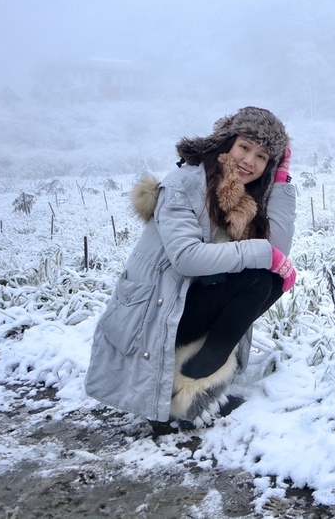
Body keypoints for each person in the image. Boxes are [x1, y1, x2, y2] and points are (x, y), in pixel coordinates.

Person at [85, 106, 297, 428]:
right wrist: (263, 255)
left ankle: (196, 378)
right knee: (258, 271)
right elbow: (187, 257)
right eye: (244, 147)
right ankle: (188, 377)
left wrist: (281, 180)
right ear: (227, 142)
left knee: (266, 278)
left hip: (188, 301)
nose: (249, 161)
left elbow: (278, 249)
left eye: (263, 157)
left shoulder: (242, 198)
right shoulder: (185, 183)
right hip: (155, 312)